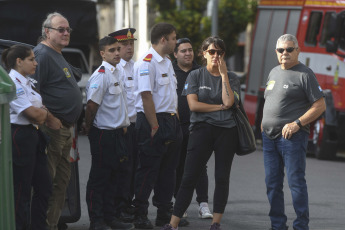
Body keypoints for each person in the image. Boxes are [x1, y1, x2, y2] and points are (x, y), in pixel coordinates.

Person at [161, 36, 241, 230]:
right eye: (211, 52)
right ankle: (173, 224)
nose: (216, 56)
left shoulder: (232, 78)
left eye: (220, 52)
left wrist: (223, 76)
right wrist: (218, 108)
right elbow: (193, 105)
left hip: (226, 132)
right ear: (203, 53)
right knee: (189, 176)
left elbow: (229, 102)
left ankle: (216, 222)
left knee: (222, 177)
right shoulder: (195, 75)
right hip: (201, 130)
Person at [261, 34, 326, 230]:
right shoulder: (273, 72)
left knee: (296, 184)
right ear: (276, 52)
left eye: (289, 49)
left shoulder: (305, 74)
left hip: (292, 138)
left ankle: (301, 225)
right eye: (281, 50)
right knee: (272, 185)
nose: (285, 53)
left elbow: (320, 105)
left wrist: (297, 123)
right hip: (269, 138)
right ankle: (278, 225)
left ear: (297, 50)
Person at [132, 22, 187, 229]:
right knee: (148, 169)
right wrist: (154, 126)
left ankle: (165, 214)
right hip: (153, 121)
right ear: (163, 39)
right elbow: (146, 96)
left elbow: (170, 96)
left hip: (171, 120)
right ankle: (140, 214)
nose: (175, 41)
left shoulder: (166, 61)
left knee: (169, 170)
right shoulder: (147, 63)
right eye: (174, 38)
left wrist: (176, 121)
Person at [31, 12, 83, 230]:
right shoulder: (41, 55)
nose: (65, 33)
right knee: (45, 185)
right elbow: (32, 93)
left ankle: (50, 225)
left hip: (65, 130)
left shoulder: (56, 53)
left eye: (68, 29)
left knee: (61, 184)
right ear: (47, 31)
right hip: (51, 129)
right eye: (60, 29)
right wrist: (50, 119)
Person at [2, 45, 61, 230]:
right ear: (19, 62)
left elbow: (40, 111)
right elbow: (33, 114)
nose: (36, 63)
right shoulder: (13, 83)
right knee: (21, 190)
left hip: (33, 135)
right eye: (31, 59)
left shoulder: (27, 82)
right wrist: (44, 114)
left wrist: (43, 114)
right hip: (20, 135)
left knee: (44, 187)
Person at [84, 36, 134, 230]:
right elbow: (91, 105)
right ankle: (96, 221)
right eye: (111, 50)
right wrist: (89, 127)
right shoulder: (102, 74)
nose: (116, 53)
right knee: (100, 179)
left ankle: (109, 217)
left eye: (117, 49)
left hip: (118, 133)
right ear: (102, 53)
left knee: (114, 177)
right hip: (103, 133)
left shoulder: (117, 72)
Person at [172, 38, 212, 219]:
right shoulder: (170, 71)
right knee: (178, 165)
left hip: (199, 127)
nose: (187, 53)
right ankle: (180, 204)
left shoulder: (202, 72)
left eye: (189, 50)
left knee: (200, 166)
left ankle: (203, 204)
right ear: (175, 54)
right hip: (176, 127)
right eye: (183, 51)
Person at [108, 28, 138, 222]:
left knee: (134, 168)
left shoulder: (137, 67)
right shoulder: (115, 69)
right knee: (121, 169)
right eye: (124, 45)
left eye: (131, 44)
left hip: (136, 125)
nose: (128, 47)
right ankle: (118, 207)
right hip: (121, 127)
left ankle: (128, 203)